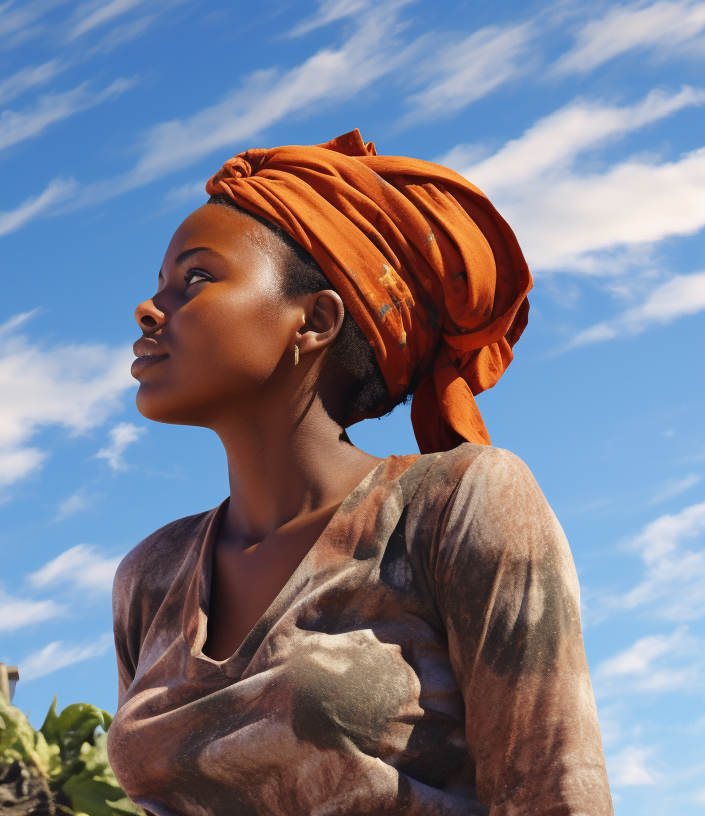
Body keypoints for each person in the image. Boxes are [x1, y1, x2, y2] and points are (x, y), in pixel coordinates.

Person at [106, 131, 612, 815]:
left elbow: (553, 792)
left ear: (313, 320)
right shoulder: (152, 576)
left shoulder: (453, 506)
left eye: (195, 278)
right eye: (159, 285)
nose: (148, 308)